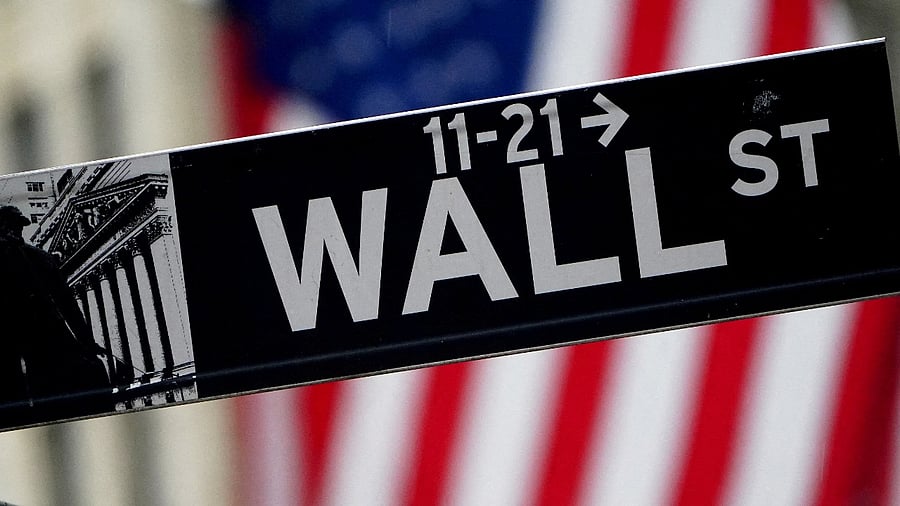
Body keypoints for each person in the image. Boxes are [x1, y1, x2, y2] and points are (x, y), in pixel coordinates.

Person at [0, 205, 111, 425]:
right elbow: (69, 306)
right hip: (47, 342)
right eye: (14, 227)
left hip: (34, 345)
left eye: (16, 227)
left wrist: (87, 342)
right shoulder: (42, 257)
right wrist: (87, 342)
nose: (16, 232)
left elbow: (67, 304)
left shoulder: (39, 258)